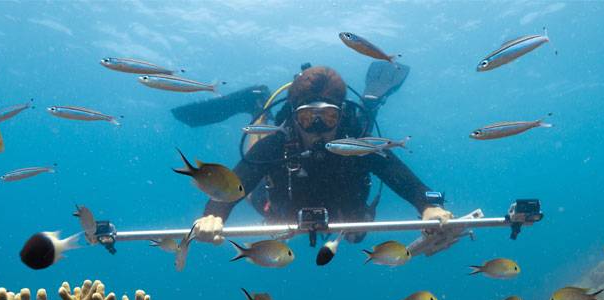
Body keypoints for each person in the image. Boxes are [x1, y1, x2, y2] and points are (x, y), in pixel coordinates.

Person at [191, 66, 452, 244]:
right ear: (295, 118)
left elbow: (404, 179)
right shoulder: (277, 143)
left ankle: (369, 104)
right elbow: (233, 184)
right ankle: (259, 107)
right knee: (252, 187)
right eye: (307, 118)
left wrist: (429, 205)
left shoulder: (357, 144)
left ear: (340, 117)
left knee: (355, 229)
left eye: (328, 118)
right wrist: (213, 214)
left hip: (344, 211)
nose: (318, 129)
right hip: (280, 206)